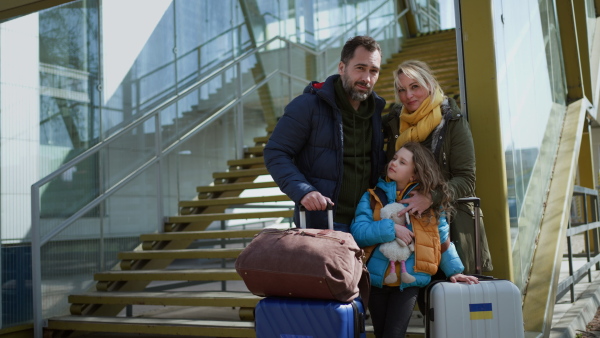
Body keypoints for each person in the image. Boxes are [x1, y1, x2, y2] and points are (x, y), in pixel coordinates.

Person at [351, 142, 479, 338]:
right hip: (376, 282)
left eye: (402, 162)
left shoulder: (429, 205)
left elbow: (441, 241)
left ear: (414, 174)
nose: (394, 163)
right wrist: (391, 229)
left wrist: (456, 271)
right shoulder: (372, 197)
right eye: (394, 158)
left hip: (409, 284)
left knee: (394, 334)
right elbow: (358, 232)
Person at [263, 36, 387, 232]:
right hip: (324, 223)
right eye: (360, 68)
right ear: (341, 67)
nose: (367, 78)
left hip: (369, 224)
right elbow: (275, 152)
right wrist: (304, 191)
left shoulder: (377, 113)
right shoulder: (307, 106)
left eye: (374, 71)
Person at [382, 60, 493, 274]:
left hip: (450, 226)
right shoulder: (395, 121)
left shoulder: (452, 121)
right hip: (408, 228)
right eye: (402, 90)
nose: (409, 96)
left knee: (451, 297)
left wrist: (430, 197)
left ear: (430, 85)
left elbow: (466, 179)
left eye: (415, 87)